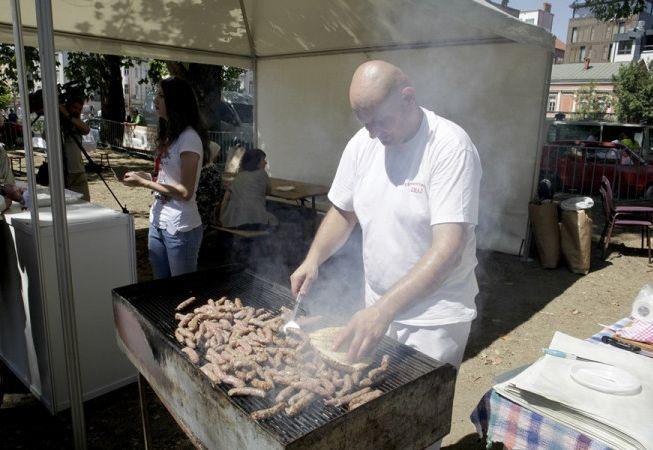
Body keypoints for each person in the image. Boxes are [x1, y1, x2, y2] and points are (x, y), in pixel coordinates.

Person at [290, 60, 481, 449]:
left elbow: (448, 247)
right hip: (376, 309)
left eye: (380, 121)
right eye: (364, 122)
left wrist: (383, 310)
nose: (374, 133)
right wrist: (314, 259)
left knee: (416, 427)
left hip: (433, 320)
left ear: (408, 98)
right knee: (375, 422)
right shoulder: (364, 142)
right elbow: (343, 212)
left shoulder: (449, 147)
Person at [123, 77, 208, 279]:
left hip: (180, 228)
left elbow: (185, 192)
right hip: (158, 222)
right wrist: (142, 176)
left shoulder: (189, 138)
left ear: (176, 101)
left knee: (181, 294)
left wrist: (144, 183)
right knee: (160, 290)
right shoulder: (170, 135)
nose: (156, 100)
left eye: (161, 95)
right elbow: (163, 177)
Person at [219, 148, 277, 230]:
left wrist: (221, 218)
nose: (266, 162)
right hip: (254, 221)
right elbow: (268, 191)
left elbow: (226, 199)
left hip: (233, 221)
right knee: (274, 220)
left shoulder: (239, 176)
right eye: (263, 160)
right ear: (256, 162)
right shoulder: (262, 174)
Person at [60, 96, 92, 201]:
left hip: (78, 172)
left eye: (79, 109)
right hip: (62, 173)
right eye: (74, 107)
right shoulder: (57, 121)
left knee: (85, 203)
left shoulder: (76, 121)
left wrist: (68, 115)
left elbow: (86, 129)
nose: (77, 111)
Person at [196, 141, 224, 228]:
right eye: (217, 152)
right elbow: (217, 193)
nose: (218, 155)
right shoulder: (212, 170)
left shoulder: (196, 165)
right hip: (206, 208)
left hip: (194, 205)